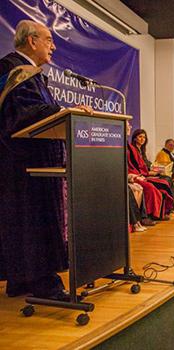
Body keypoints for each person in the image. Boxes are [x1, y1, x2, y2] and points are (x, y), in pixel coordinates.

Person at [0, 20, 91, 299]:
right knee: (36, 218)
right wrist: (65, 109)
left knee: (21, 220)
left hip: (23, 163)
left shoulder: (29, 73)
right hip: (26, 162)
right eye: (49, 40)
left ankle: (21, 279)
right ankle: (43, 282)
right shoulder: (15, 71)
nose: (53, 46)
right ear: (32, 41)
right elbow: (24, 114)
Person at [128, 129, 174, 220]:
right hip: (139, 175)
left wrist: (157, 170)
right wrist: (151, 172)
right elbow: (138, 167)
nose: (142, 139)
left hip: (147, 173)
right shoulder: (132, 150)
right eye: (140, 137)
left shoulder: (142, 150)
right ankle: (153, 215)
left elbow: (149, 165)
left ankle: (165, 210)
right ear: (134, 138)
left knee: (166, 180)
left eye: (144, 137)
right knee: (162, 183)